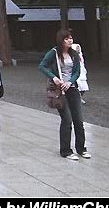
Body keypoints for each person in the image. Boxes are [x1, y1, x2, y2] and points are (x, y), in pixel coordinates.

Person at [38, 29, 90, 160]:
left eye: (71, 38)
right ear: (61, 40)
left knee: (78, 120)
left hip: (72, 88)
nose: (70, 41)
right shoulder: (54, 53)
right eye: (66, 39)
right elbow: (42, 66)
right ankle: (66, 151)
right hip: (59, 90)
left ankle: (81, 149)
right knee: (67, 120)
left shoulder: (74, 53)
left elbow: (77, 71)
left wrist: (70, 82)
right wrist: (54, 77)